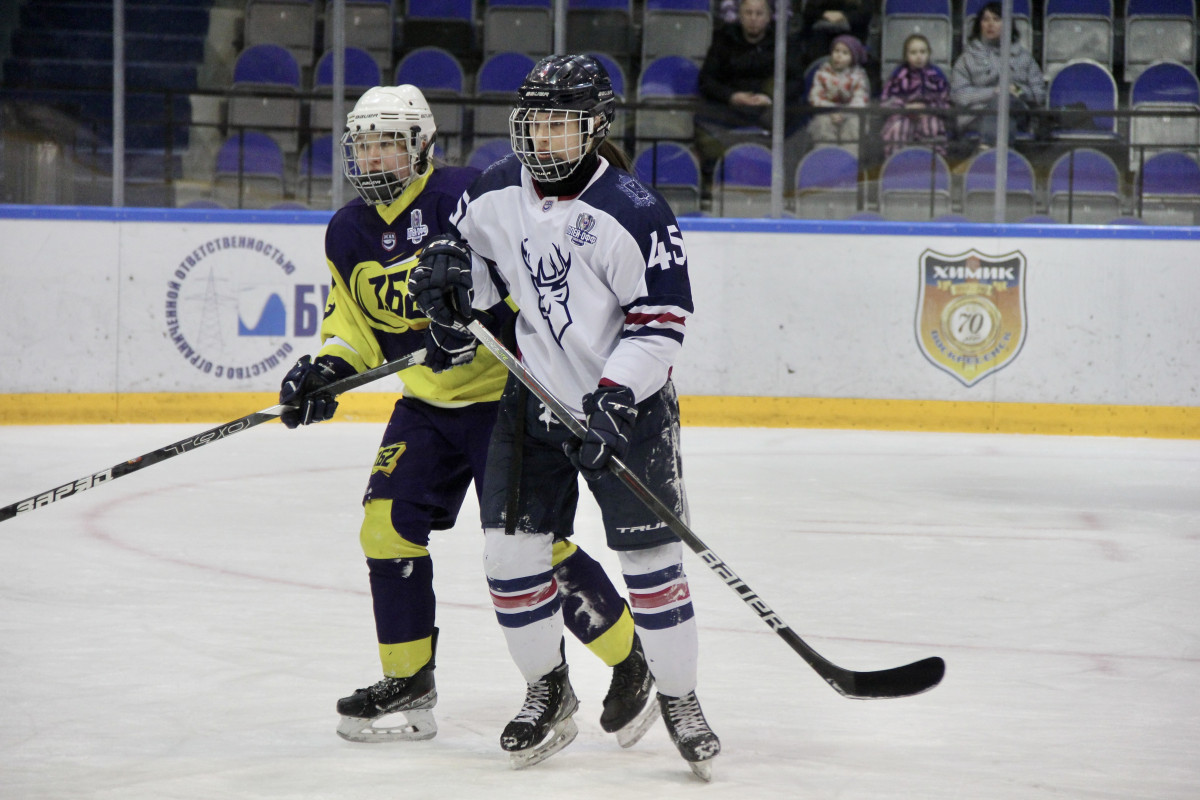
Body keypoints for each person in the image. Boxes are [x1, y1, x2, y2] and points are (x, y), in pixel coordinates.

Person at [276, 84, 656, 748]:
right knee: (385, 528)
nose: (373, 158)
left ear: (422, 146)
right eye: (363, 145)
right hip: (425, 405)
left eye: (387, 144)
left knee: (532, 546)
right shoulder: (346, 231)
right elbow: (351, 327)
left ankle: (631, 662)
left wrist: (478, 317)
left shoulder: (465, 195)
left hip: (505, 399)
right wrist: (326, 371)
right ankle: (409, 680)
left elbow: (526, 279)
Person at [407, 54, 722, 781]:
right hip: (532, 398)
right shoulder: (492, 193)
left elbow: (659, 325)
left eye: (560, 125)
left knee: (651, 568)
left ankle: (679, 697)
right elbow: (472, 273)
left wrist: (615, 398)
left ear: (594, 128)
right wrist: (451, 298)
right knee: (510, 559)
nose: (543, 139)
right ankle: (547, 691)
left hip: (627, 412)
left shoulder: (635, 212)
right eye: (535, 123)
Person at [695, 0, 805, 193]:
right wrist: (732, 96)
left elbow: (796, 82)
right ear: (740, 15)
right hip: (732, 109)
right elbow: (707, 80)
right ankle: (712, 181)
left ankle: (786, 186)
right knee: (702, 118)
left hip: (770, 110)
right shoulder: (724, 40)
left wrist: (770, 98)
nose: (753, 19)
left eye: (759, 13)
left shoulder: (783, 42)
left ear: (769, 16)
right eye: (749, 13)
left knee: (800, 120)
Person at [950, 1, 1047, 147]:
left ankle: (987, 151)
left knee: (1006, 100)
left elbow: (1039, 94)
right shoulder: (967, 59)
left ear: (1007, 24)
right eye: (986, 19)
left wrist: (1017, 91)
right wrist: (994, 92)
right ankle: (1004, 156)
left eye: (996, 19)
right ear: (979, 25)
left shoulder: (1024, 58)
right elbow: (959, 95)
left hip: (1017, 113)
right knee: (1001, 102)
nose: (990, 24)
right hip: (978, 117)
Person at [880, 33, 951, 158]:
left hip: (930, 114)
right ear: (906, 56)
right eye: (913, 52)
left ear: (929, 53)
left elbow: (946, 102)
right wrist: (905, 108)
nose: (919, 56)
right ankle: (896, 165)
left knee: (932, 126)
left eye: (922, 52)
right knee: (898, 128)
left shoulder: (936, 75)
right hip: (902, 114)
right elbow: (886, 101)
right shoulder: (899, 74)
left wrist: (928, 109)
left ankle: (933, 167)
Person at [806, 34, 870, 158]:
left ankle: (849, 162)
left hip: (850, 114)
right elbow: (815, 97)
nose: (839, 56)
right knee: (822, 124)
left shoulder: (859, 76)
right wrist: (831, 111)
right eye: (836, 51)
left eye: (845, 53)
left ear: (853, 58)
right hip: (827, 112)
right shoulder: (821, 73)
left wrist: (844, 113)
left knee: (854, 126)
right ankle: (825, 161)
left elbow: (860, 100)